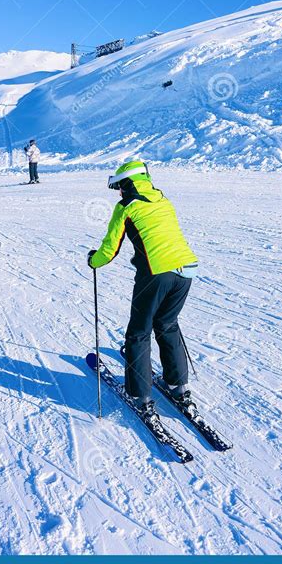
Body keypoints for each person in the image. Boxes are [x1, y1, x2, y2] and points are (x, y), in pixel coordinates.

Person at [87, 161, 199, 424]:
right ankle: (178, 386)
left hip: (156, 273)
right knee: (167, 324)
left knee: (138, 333)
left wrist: (94, 261)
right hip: (187, 270)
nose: (118, 193)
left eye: (119, 186)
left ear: (127, 183)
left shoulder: (127, 207)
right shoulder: (163, 200)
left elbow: (110, 249)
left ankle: (140, 395)